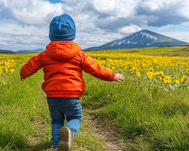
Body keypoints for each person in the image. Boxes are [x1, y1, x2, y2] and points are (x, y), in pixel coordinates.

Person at [20, 14, 125, 151]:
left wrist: (23, 73)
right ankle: (69, 132)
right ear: (72, 35)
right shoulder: (79, 55)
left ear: (51, 35)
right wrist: (112, 75)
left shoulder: (44, 55)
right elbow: (96, 69)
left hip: (52, 96)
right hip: (71, 96)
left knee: (56, 121)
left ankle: (58, 147)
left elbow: (31, 65)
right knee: (75, 117)